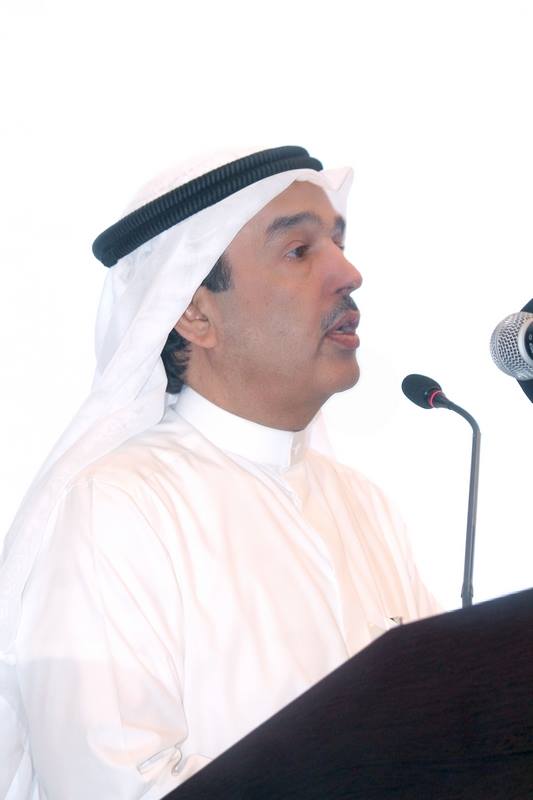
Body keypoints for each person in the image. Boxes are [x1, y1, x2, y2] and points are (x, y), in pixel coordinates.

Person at [0, 145, 438, 800]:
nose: (348, 274)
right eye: (299, 251)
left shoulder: (364, 507)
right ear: (195, 314)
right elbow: (114, 786)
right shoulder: (117, 508)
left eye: (339, 244)